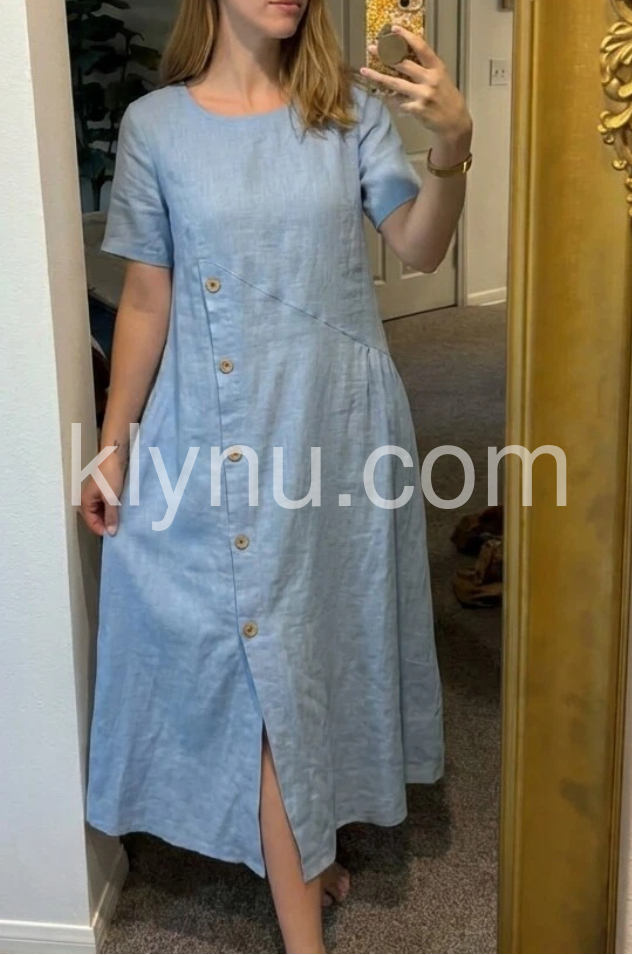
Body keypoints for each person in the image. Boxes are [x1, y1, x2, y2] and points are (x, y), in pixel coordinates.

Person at [79, 1, 472, 951]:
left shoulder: (347, 114)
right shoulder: (156, 126)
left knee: (315, 644)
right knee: (258, 658)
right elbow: (146, 297)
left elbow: (419, 246)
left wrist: (453, 145)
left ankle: (298, 837)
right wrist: (114, 440)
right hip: (214, 431)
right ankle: (302, 925)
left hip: (335, 430)